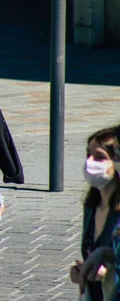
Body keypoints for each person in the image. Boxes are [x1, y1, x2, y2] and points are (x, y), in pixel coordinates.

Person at [77, 125, 120, 301]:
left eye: (99, 157)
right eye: (88, 155)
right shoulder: (91, 206)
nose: (90, 162)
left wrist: (107, 274)